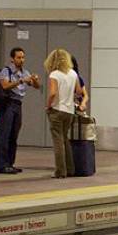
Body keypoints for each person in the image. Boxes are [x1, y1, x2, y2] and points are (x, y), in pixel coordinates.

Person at [0, 47, 40, 174]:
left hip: (18, 104)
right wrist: (20, 80)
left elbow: (36, 86)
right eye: (18, 57)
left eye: (23, 57)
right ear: (12, 58)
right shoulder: (6, 71)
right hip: (7, 104)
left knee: (13, 135)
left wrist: (35, 80)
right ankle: (3, 165)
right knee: (5, 135)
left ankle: (10, 163)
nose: (21, 60)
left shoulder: (25, 72)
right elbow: (5, 85)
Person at [44, 48, 81, 178]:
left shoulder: (54, 74)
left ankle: (60, 171)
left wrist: (48, 106)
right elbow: (79, 92)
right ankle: (70, 169)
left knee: (58, 141)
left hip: (57, 110)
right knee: (65, 139)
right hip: (69, 111)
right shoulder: (73, 73)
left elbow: (53, 93)